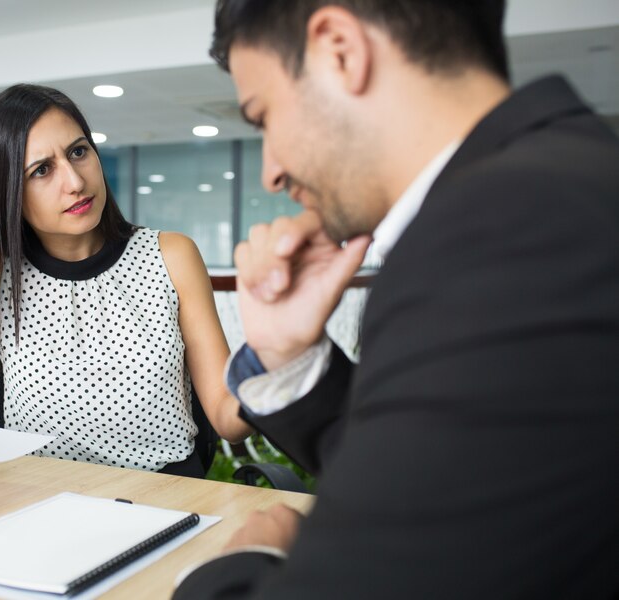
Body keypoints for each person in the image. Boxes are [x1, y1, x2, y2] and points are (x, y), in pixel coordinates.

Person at [174, 0, 619, 597]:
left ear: (340, 48)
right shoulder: (550, 187)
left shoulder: (509, 228)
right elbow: (442, 476)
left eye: (263, 118)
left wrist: (243, 559)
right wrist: (290, 357)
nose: (270, 173)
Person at [0, 84, 251, 478]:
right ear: (6, 192)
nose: (74, 181)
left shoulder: (170, 256)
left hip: (166, 497)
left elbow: (227, 418)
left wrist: (278, 350)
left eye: (78, 151)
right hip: (43, 502)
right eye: (41, 170)